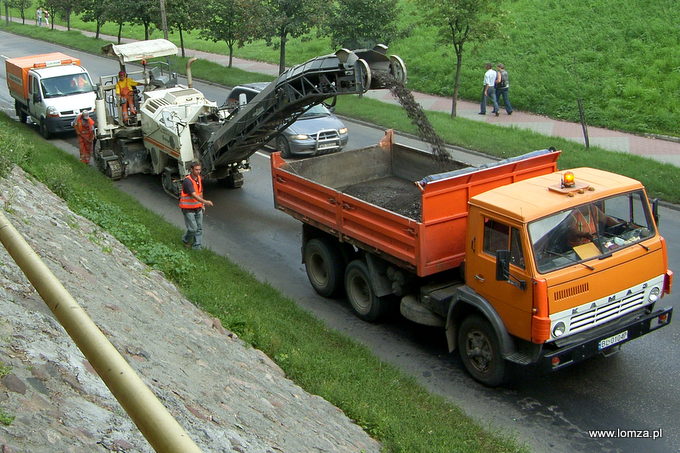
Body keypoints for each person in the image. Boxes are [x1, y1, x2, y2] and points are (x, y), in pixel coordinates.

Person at [179, 162, 214, 250]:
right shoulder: (187, 181)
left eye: (199, 169)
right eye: (196, 169)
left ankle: (197, 246)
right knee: (193, 229)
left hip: (198, 208)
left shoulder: (198, 178)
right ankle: (185, 240)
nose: (198, 171)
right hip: (188, 209)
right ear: (191, 169)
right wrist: (205, 202)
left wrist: (202, 204)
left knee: (199, 228)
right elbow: (194, 195)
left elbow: (200, 192)